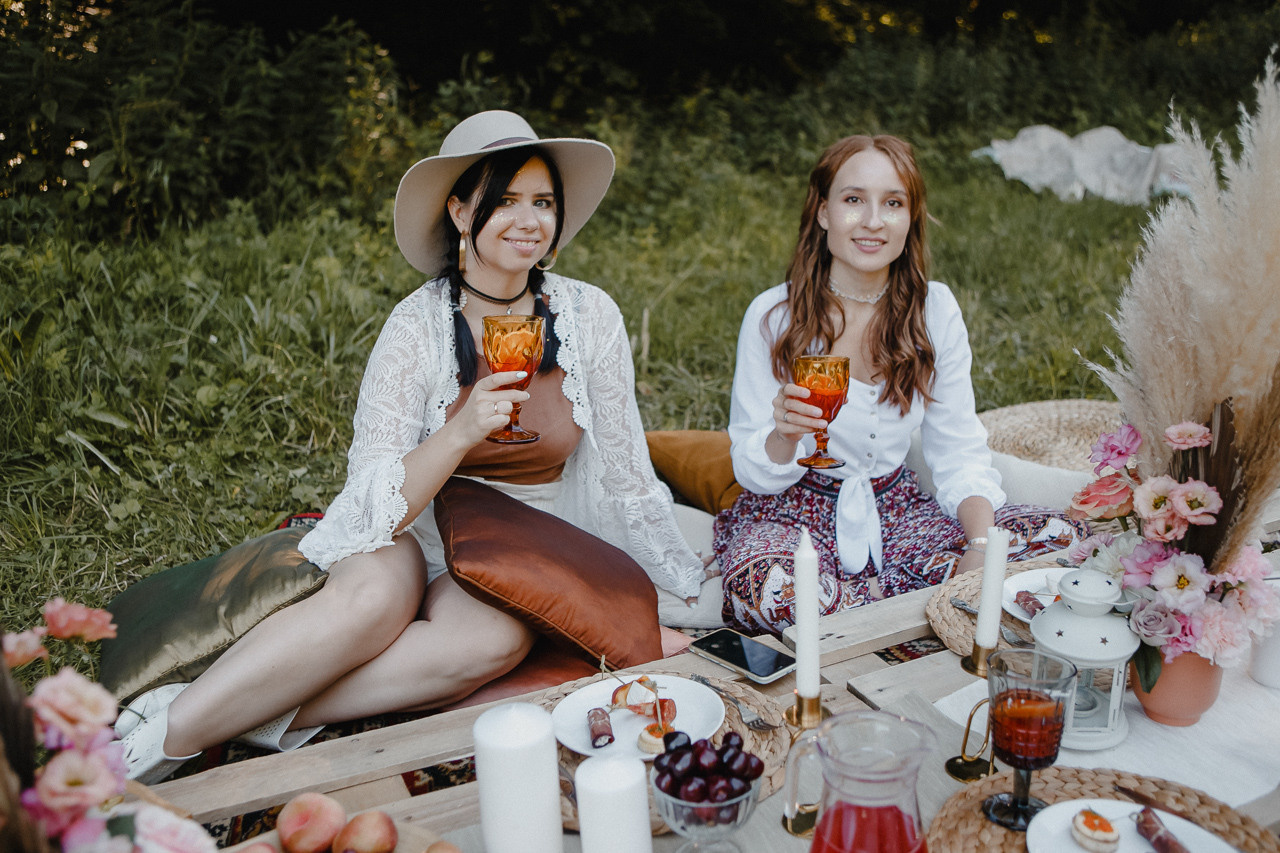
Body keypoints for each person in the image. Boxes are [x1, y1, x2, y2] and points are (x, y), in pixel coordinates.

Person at [117, 111, 707, 783]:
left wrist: (652, 592)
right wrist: (460, 431)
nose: (529, 219)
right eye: (506, 199)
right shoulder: (416, 326)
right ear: (460, 210)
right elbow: (374, 500)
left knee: (493, 640)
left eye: (543, 202)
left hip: (532, 541)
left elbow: (628, 473)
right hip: (420, 521)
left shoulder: (589, 315)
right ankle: (162, 741)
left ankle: (230, 712)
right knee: (370, 600)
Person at [713, 134, 1086, 635]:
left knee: (1064, 535)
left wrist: (979, 551)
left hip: (895, 508)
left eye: (892, 203)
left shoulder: (934, 311)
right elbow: (753, 471)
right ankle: (912, 606)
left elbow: (958, 450)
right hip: (792, 511)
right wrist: (783, 435)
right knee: (767, 590)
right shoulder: (774, 316)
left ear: (910, 218)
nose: (872, 221)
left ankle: (863, 612)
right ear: (823, 212)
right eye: (853, 200)